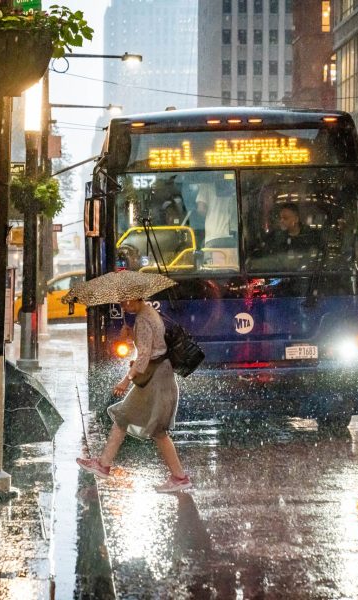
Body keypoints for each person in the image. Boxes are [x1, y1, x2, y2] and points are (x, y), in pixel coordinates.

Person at [76, 296, 193, 493]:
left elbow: (145, 355)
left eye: (125, 302)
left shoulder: (143, 319)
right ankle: (178, 477)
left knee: (144, 425)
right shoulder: (148, 314)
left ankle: (104, 465)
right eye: (120, 303)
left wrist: (126, 379)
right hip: (158, 375)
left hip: (154, 378)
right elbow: (152, 345)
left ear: (135, 298)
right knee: (143, 425)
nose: (123, 306)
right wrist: (131, 335)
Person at [195, 180, 237, 248]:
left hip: (213, 234)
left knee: (211, 258)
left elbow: (201, 209)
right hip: (234, 234)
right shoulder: (234, 184)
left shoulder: (206, 183)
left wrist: (210, 216)